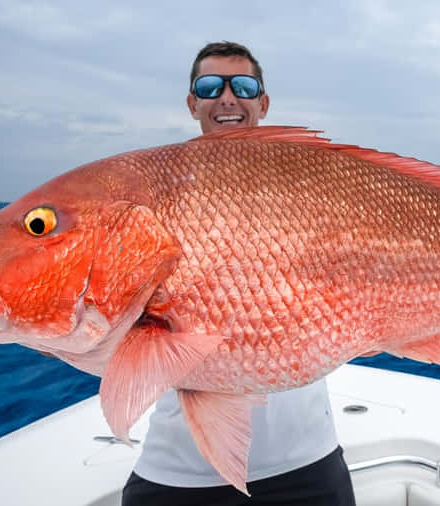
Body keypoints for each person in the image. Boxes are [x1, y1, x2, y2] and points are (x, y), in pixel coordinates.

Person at [121, 41, 357, 506]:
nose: (227, 98)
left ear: (263, 103)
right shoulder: (154, 190)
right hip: (179, 472)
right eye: (209, 87)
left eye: (243, 86)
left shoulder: (308, 183)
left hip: (307, 461)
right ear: (193, 104)